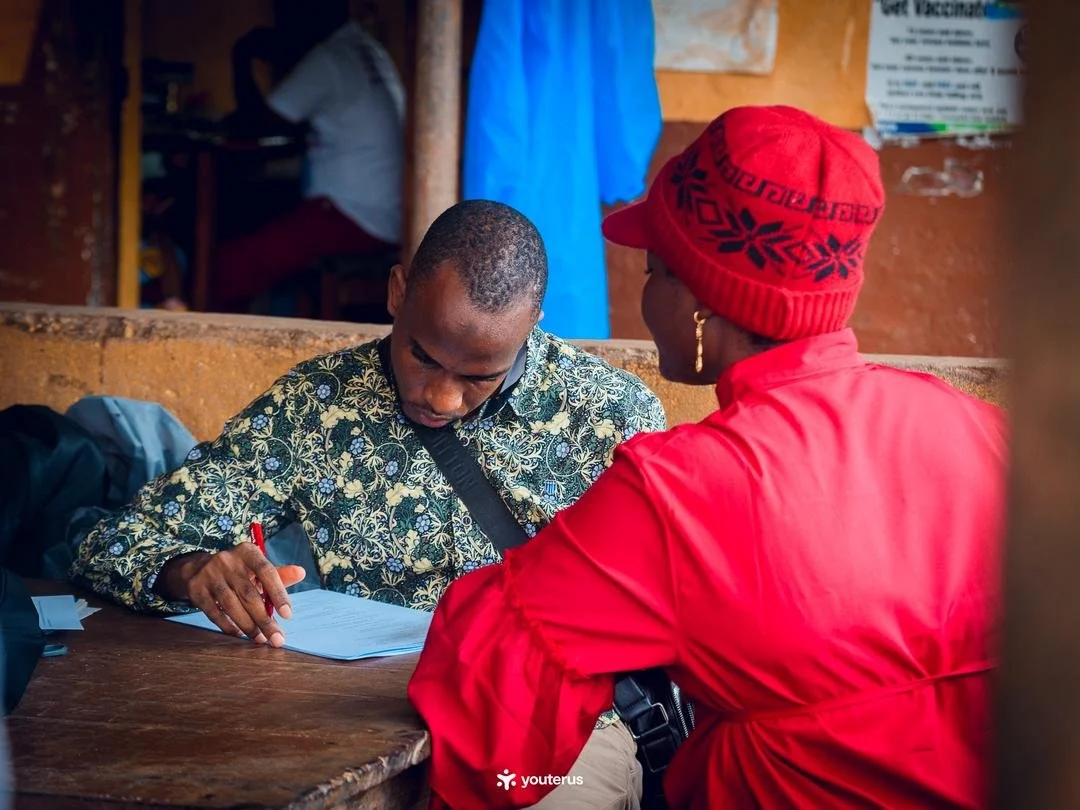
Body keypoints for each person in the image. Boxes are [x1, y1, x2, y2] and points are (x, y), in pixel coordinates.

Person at [406, 106, 1007, 808]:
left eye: (654, 269)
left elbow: (490, 689)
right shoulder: (980, 429)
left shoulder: (679, 492)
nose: (646, 289)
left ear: (698, 303)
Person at [70, 199, 666, 809]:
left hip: (556, 726)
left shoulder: (609, 415)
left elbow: (659, 608)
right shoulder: (314, 408)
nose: (442, 397)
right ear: (398, 291)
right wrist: (193, 570)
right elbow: (111, 543)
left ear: (531, 325)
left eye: (478, 377)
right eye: (422, 356)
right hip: (369, 718)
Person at [213, 6, 405, 311]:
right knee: (263, 218)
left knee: (229, 266)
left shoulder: (329, 59)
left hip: (352, 216)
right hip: (389, 215)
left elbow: (254, 124)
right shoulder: (369, 49)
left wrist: (242, 55)